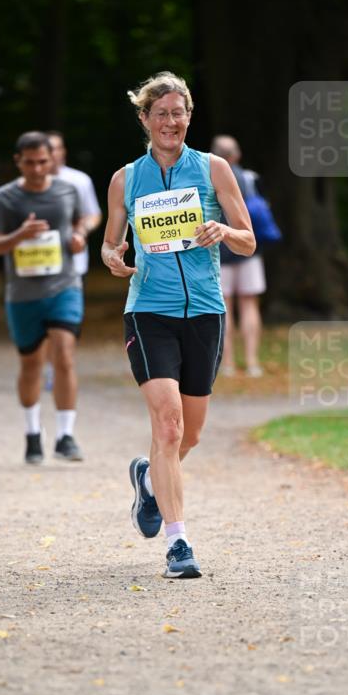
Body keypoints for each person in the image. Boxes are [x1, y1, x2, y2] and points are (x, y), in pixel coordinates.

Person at [101, 73, 255, 579]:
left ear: (190, 117)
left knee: (188, 434)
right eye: (161, 113)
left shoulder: (214, 170)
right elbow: (109, 242)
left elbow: (248, 242)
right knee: (167, 425)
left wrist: (224, 229)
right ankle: (178, 544)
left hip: (206, 312)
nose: (171, 121)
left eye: (179, 112)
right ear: (144, 118)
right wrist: (113, 257)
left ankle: (147, 481)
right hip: (149, 310)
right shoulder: (126, 178)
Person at [0, 132, 86, 464]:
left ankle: (65, 435)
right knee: (30, 365)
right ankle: (33, 434)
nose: (37, 168)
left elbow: (80, 223)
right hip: (23, 293)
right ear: (19, 162)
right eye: (29, 162)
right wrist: (20, 235)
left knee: (65, 355)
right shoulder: (6, 197)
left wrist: (79, 237)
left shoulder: (66, 190)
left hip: (64, 286)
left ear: (52, 160)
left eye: (43, 161)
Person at [42, 131, 102, 389]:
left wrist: (81, 231)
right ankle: (47, 367)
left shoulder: (79, 180)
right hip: (39, 262)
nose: (50, 155)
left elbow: (94, 214)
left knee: (66, 319)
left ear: (62, 152)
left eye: (55, 149)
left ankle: (63, 364)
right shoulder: (30, 183)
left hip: (73, 263)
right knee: (43, 320)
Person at [211, 135, 265, 377]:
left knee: (225, 308)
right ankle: (252, 362)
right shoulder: (249, 178)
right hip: (247, 252)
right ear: (237, 155)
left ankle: (228, 364)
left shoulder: (207, 178)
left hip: (219, 252)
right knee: (249, 304)